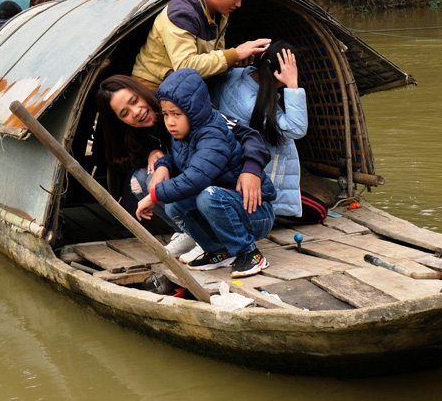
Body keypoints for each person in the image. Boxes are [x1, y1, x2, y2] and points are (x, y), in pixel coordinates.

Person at [95, 74, 272, 259]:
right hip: (190, 182)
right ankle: (191, 233)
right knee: (141, 180)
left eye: (134, 100)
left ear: (141, 91)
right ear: (119, 120)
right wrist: (154, 155)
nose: (136, 111)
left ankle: (216, 238)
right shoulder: (132, 134)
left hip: (219, 187)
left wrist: (251, 169)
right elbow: (138, 159)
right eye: (125, 113)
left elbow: (248, 135)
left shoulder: (181, 105)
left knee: (164, 185)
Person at [135, 69, 275, 277]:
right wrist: (164, 164)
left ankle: (250, 253)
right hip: (225, 202)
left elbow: (196, 177)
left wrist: (154, 195)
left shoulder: (213, 135)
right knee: (175, 206)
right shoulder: (184, 132)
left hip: (254, 210)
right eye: (166, 114)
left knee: (207, 196)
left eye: (176, 114)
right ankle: (219, 251)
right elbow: (180, 157)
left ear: (194, 111)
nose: (170, 122)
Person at [212, 42, 319, 221]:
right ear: (281, 75)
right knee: (319, 212)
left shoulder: (237, 74)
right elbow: (297, 129)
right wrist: (292, 84)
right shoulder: (253, 104)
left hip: (230, 164)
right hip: (249, 175)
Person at [131, 0, 270, 89]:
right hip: (153, 86)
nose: (239, 4)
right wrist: (234, 54)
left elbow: (213, 55)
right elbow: (185, 67)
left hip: (182, 86)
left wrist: (233, 61)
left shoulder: (220, 13)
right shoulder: (182, 14)